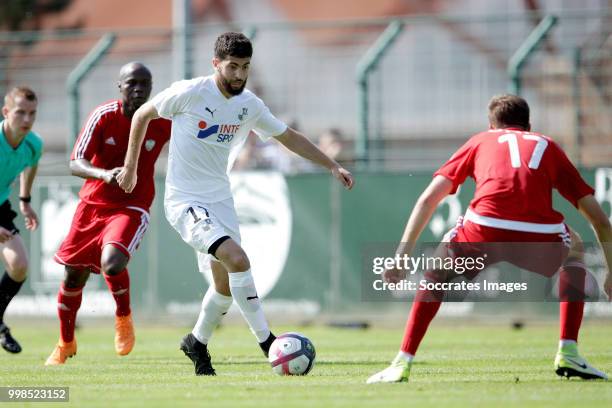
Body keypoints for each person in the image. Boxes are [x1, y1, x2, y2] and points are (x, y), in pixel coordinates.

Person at [116, 32, 354, 376]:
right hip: (185, 201)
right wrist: (131, 168)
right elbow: (141, 117)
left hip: (221, 200)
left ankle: (196, 343)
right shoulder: (190, 92)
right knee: (238, 259)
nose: (240, 75)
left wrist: (331, 164)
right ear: (216, 64)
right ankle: (267, 341)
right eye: (232, 67)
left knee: (224, 288)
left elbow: (288, 136)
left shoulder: (249, 105)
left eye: (245, 67)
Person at [367, 94, 612, 384]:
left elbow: (427, 200)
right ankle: (568, 350)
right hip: (538, 235)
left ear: (491, 125)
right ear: (529, 125)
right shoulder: (547, 145)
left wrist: (401, 257)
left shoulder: (480, 141)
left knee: (438, 269)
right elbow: (597, 218)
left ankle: (402, 361)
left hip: (484, 227)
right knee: (576, 248)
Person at [45, 63, 171, 365]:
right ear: (120, 87)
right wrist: (104, 175)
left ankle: (124, 318)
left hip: (131, 207)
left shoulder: (162, 122)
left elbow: (193, 137)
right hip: (92, 207)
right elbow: (76, 162)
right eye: (132, 83)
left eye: (145, 83)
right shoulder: (104, 116)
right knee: (73, 276)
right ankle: (65, 343)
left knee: (112, 263)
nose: (138, 89)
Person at [0, 87, 43, 354]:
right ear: (6, 113)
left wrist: (25, 201)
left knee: (19, 266)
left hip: (1, 205)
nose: (26, 119)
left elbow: (32, 163)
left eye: (32, 113)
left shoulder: (33, 143)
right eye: (20, 113)